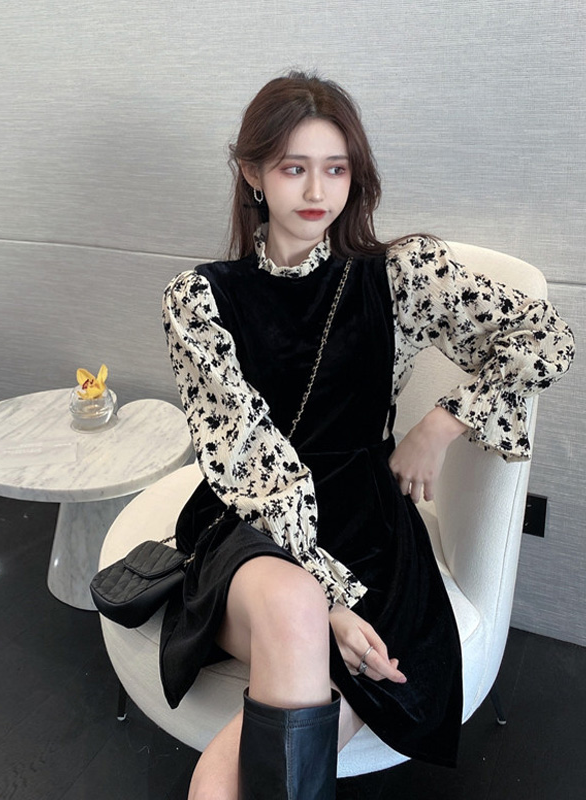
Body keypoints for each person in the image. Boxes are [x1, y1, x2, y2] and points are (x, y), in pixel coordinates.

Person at [160, 71, 574, 800]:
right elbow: (248, 458)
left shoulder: (400, 276)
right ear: (253, 173)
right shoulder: (200, 299)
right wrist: (330, 601)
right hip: (254, 520)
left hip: (370, 527)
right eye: (293, 168)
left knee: (310, 707)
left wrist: (442, 422)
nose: (317, 190)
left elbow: (546, 338)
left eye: (336, 168)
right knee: (299, 609)